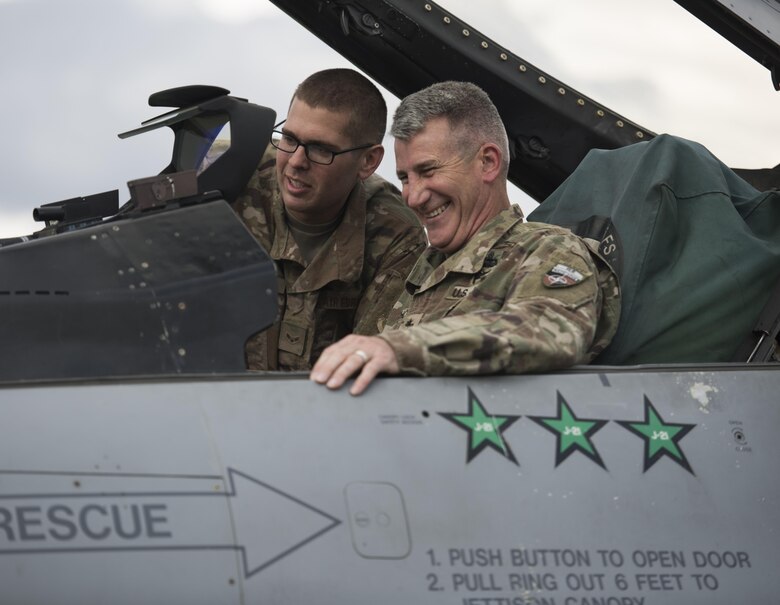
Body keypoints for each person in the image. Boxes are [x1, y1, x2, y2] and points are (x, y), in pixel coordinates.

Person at [310, 81, 621, 395]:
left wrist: (400, 348)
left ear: (487, 162)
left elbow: (549, 330)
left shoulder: (549, 251)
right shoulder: (422, 269)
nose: (414, 197)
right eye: (405, 177)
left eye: (428, 171)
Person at [232, 69, 427, 370]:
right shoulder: (229, 176)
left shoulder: (394, 234)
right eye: (289, 138)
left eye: (321, 149)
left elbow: (374, 362)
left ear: (368, 161)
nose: (296, 162)